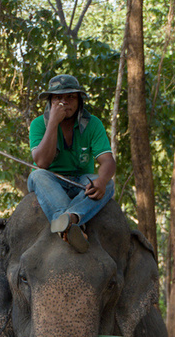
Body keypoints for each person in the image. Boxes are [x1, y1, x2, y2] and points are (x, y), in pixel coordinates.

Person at [28, 74, 115, 253]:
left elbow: (107, 161)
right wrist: (53, 122)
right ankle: (67, 221)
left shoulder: (93, 124)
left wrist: (102, 181)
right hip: (50, 179)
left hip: (81, 181)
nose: (65, 102)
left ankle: (70, 218)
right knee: (37, 175)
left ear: (79, 100)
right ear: (50, 101)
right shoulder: (38, 124)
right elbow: (42, 162)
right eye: (58, 97)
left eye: (70, 97)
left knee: (109, 183)